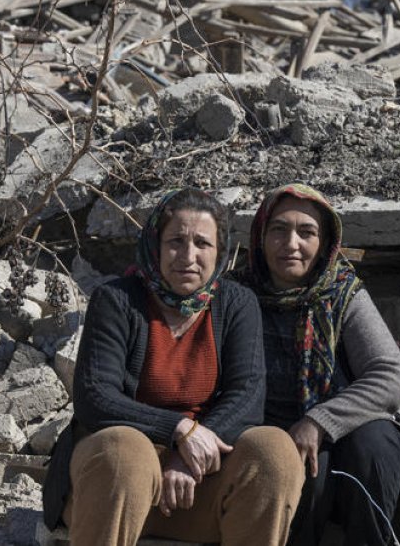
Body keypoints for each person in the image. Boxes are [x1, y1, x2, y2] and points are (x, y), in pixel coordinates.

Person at [42, 188, 304, 546]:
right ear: (155, 245)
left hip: (195, 488)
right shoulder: (117, 300)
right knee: (126, 450)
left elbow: (247, 396)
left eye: (202, 243)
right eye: (176, 241)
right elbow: (95, 396)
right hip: (113, 487)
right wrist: (179, 430)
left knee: (274, 450)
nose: (189, 256)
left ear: (220, 252)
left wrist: (189, 457)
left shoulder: (237, 303)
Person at [242, 183, 400, 546]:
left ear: (325, 242)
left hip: (336, 425)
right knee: (300, 470)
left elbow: (390, 376)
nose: (291, 243)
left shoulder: (343, 295)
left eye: (306, 232)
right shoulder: (235, 296)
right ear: (260, 236)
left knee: (375, 447)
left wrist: (319, 421)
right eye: (278, 229)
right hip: (260, 429)